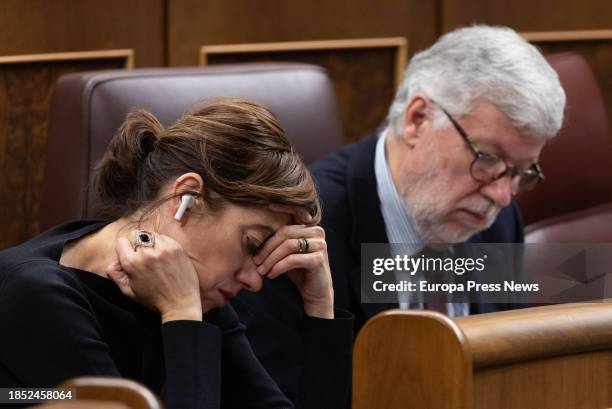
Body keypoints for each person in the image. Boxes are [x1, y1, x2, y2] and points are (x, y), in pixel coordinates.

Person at [232, 24, 566, 397]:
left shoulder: (498, 222)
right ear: (417, 119)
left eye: (522, 172)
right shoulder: (300, 225)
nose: (503, 195)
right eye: (487, 158)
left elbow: (510, 379)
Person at [0, 98, 352, 409]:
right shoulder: (35, 296)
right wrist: (182, 316)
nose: (254, 280)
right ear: (187, 197)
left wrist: (321, 308)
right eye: (251, 243)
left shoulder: (196, 292)